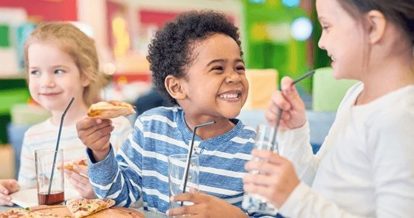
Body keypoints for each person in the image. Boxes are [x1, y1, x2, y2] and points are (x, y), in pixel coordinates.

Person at [76, 11, 262, 217]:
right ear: (177, 87)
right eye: (218, 68)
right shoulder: (151, 127)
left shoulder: (256, 150)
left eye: (239, 67)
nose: (234, 77)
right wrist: (100, 152)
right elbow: (116, 197)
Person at [243, 0, 414, 217]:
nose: (321, 43)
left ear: (372, 27)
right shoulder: (356, 95)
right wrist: (296, 130)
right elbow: (318, 184)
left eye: (326, 26)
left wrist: (295, 199)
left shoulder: (401, 118)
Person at [0, 22, 132, 206]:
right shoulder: (32, 136)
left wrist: (100, 191)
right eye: (35, 72)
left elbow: (137, 199)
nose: (46, 82)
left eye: (58, 71)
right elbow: (29, 196)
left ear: (85, 75)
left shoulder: (115, 127)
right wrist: (11, 192)